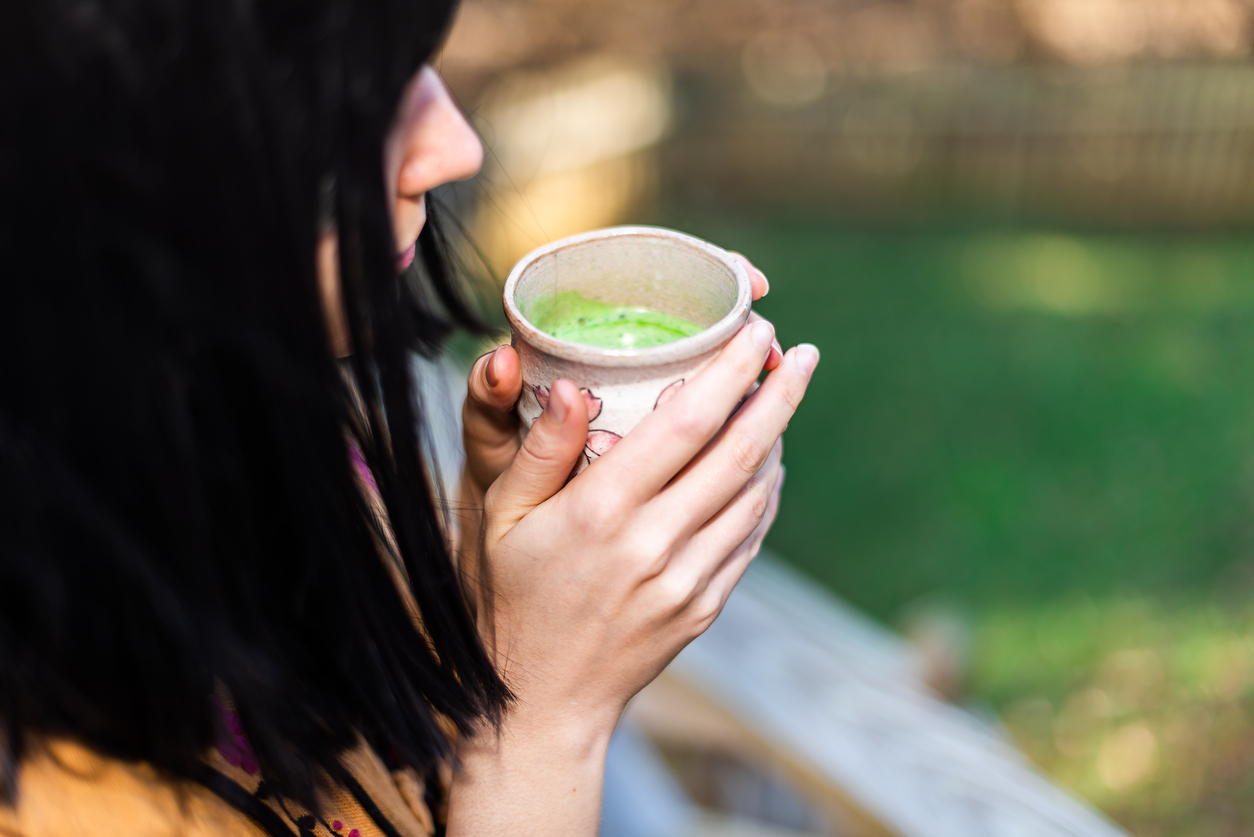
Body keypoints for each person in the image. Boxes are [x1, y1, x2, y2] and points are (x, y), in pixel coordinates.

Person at [0, 0, 818, 834]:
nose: (455, 145)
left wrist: (484, 575)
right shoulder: (59, 791)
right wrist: (545, 727)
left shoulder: (263, 432)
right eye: (348, 105)